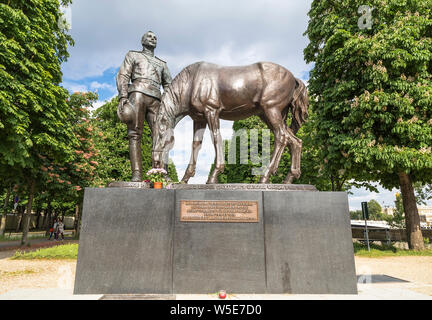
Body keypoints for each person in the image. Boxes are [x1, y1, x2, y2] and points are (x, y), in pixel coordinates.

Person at [116, 31, 172, 182]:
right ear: (142, 41)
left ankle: (161, 175)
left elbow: (168, 86)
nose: (153, 39)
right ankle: (137, 174)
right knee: (135, 133)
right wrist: (123, 95)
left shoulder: (162, 64)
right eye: (149, 36)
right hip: (138, 93)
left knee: (160, 135)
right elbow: (123, 75)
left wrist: (167, 102)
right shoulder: (133, 55)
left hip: (157, 99)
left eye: (155, 38)